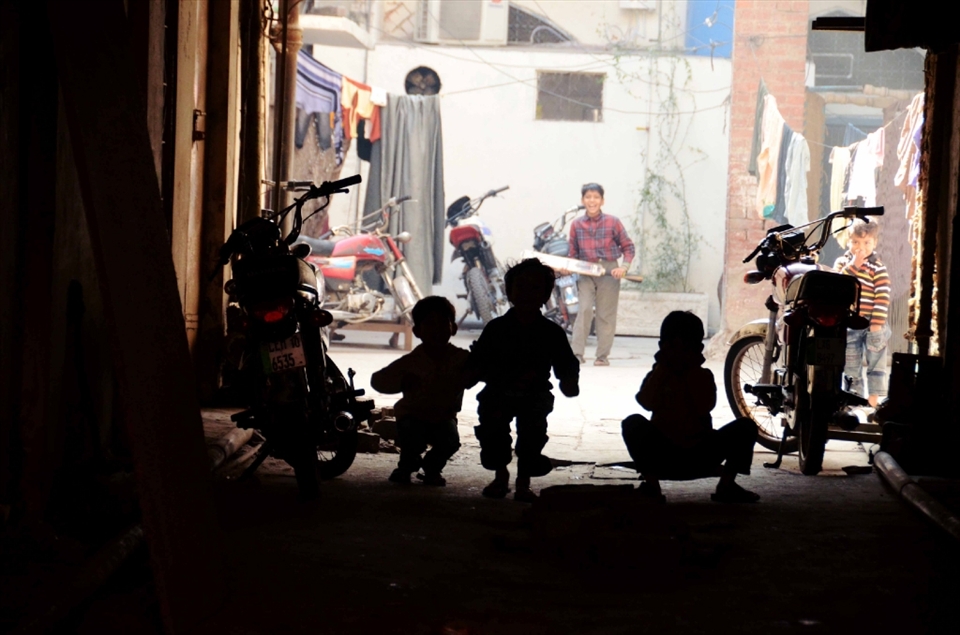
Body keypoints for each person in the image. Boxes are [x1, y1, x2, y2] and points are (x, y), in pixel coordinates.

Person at [466, 258, 580, 503]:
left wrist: (569, 381)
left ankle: (523, 482)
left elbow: (566, 363)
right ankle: (501, 476)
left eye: (535, 288)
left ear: (546, 295)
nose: (527, 293)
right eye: (521, 287)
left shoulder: (551, 332)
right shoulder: (496, 329)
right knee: (493, 435)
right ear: (509, 292)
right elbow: (478, 363)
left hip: (534, 396)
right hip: (497, 393)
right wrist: (470, 375)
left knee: (531, 438)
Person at [621, 311, 760, 504]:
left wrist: (689, 370)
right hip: (664, 456)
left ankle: (726, 485)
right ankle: (652, 486)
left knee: (746, 426)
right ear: (662, 348)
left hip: (700, 455)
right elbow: (645, 402)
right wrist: (664, 368)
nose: (678, 354)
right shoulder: (658, 374)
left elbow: (704, 406)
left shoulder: (703, 376)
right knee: (632, 423)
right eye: (672, 347)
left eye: (685, 348)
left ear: (697, 350)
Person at [370, 296, 470, 486]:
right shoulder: (410, 362)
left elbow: (482, 373)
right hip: (413, 416)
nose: (437, 329)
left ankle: (432, 468)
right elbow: (378, 380)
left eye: (443, 323)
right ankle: (406, 467)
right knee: (411, 441)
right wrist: (402, 382)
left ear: (453, 328)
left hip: (444, 417)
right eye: (430, 324)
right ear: (417, 331)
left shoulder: (462, 359)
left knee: (450, 442)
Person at [567, 183, 636, 366]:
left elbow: (628, 247)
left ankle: (602, 356)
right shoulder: (576, 225)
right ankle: (577, 354)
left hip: (609, 271)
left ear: (602, 201)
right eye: (588, 197)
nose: (592, 201)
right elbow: (572, 253)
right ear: (583, 200)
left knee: (605, 314)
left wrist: (624, 267)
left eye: (596, 197)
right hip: (586, 271)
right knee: (584, 310)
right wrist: (568, 267)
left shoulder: (613, 222)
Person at [833, 219, 891, 409]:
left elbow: (882, 296)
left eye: (867, 243)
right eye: (856, 242)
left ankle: (873, 401)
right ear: (848, 242)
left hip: (873, 323)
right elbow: (837, 285)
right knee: (851, 363)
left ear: (874, 243)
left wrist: (876, 323)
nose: (861, 247)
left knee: (876, 363)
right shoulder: (843, 264)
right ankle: (854, 401)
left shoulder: (877, 267)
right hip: (849, 323)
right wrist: (853, 266)